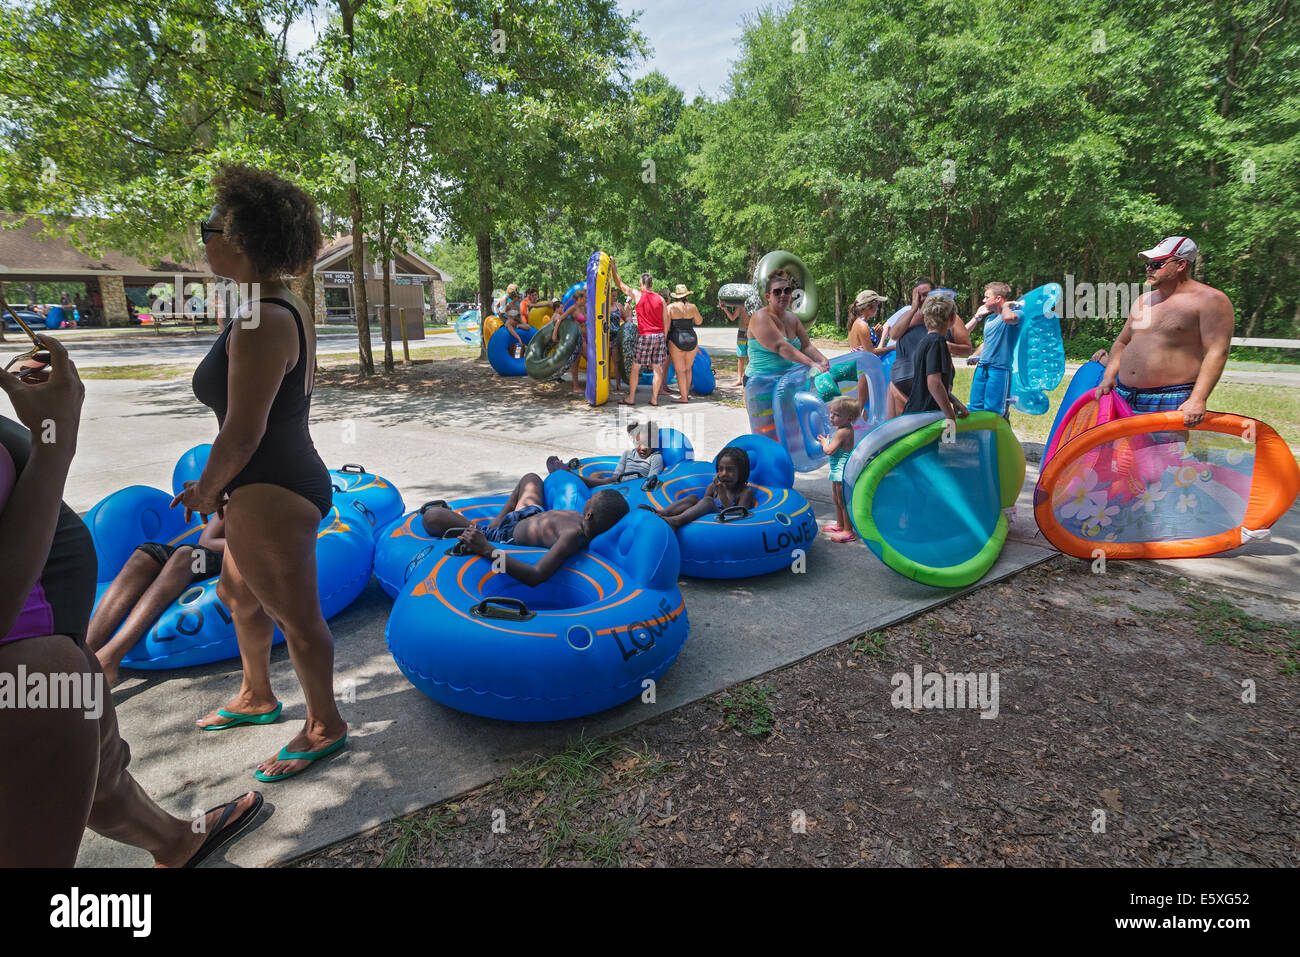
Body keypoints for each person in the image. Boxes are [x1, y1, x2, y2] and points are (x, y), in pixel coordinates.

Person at [0, 335, 262, 866]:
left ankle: (106, 662)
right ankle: (102, 656)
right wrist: (54, 443)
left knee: (100, 760)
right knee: (150, 554)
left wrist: (206, 529)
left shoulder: (260, 482)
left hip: (212, 561)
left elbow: (234, 542)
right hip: (36, 667)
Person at [186, 164, 348, 784]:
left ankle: (325, 724)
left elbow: (244, 431)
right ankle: (257, 695)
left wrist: (206, 490)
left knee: (297, 619)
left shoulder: (262, 317)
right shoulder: (270, 304)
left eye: (211, 227)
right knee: (236, 594)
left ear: (244, 239)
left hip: (271, 486)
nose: (203, 239)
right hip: (260, 482)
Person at [1098, 236, 1233, 426]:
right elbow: (1122, 342)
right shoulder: (1143, 300)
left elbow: (1217, 351)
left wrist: (1198, 399)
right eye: (1148, 264)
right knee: (1121, 456)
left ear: (1180, 264)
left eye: (1157, 264)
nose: (1149, 269)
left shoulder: (1210, 300)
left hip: (1168, 399)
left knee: (1162, 455)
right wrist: (1109, 376)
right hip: (1123, 395)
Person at [86, 518, 226, 687]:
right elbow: (206, 541)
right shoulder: (235, 494)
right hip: (224, 551)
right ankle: (83, 654)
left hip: (240, 559)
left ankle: (109, 659)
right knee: (146, 553)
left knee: (188, 555)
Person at [419, 480, 630, 586]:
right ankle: (495, 522)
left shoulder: (572, 536)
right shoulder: (585, 522)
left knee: (432, 517)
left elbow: (535, 576)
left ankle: (491, 529)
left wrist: (487, 549)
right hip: (528, 514)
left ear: (589, 514)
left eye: (589, 502)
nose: (586, 501)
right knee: (530, 478)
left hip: (504, 537)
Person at [887, 280, 973, 417]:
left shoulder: (945, 324)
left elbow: (967, 349)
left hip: (933, 378)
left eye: (925, 295)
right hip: (904, 379)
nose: (922, 300)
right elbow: (894, 334)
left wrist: (947, 346)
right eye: (918, 296)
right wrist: (914, 308)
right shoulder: (913, 319)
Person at [639, 446, 757, 530]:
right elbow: (700, 507)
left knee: (708, 501)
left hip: (723, 521)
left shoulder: (745, 492)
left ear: (741, 472)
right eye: (720, 469)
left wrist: (721, 493)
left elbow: (738, 517)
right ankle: (663, 512)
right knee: (693, 497)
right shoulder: (713, 487)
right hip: (708, 518)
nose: (724, 473)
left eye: (729, 470)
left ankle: (676, 521)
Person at [745, 269, 831, 381]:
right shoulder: (760, 317)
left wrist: (822, 359)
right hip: (760, 382)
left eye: (787, 291)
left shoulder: (793, 318)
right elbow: (780, 347)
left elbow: (806, 346)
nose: (783, 295)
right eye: (777, 292)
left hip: (786, 381)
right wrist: (812, 364)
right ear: (768, 297)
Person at [610, 262, 667, 407]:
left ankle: (631, 398)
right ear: (652, 284)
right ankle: (654, 399)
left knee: (635, 367)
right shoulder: (661, 299)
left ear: (640, 284)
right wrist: (663, 338)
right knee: (658, 368)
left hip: (646, 336)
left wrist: (614, 267)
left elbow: (619, 283)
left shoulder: (637, 294)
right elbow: (665, 321)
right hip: (659, 336)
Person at [546, 422, 665, 489]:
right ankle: (570, 476)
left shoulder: (655, 457)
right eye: (639, 443)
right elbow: (616, 474)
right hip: (618, 481)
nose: (642, 448)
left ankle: (571, 476)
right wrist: (613, 479)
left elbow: (651, 480)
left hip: (634, 486)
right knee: (604, 479)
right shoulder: (627, 454)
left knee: (607, 481)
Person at [963, 282, 1020, 415]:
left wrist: (1006, 306)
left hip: (999, 370)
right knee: (975, 408)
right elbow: (986, 343)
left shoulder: (1016, 314)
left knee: (996, 412)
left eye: (986, 297)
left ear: (998, 298)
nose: (983, 300)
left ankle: (999, 436)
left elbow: (1008, 318)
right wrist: (976, 355)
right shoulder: (989, 319)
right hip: (982, 368)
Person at [819, 396, 860, 543]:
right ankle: (840, 524)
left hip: (841, 473)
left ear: (849, 417)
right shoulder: (842, 429)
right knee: (837, 499)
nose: (831, 417)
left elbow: (829, 451)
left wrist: (825, 442)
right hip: (836, 472)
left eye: (836, 415)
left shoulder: (843, 432)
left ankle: (848, 531)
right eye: (832, 413)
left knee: (842, 501)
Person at [665, 284, 704, 403]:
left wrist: (664, 341)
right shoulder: (692, 306)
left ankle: (683, 397)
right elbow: (699, 321)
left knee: (680, 370)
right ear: (686, 294)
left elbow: (666, 326)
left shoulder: (671, 307)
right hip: (692, 338)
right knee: (688, 368)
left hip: (676, 338)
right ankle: (685, 394)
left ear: (676, 296)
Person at [550, 286, 588, 395]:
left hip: (584, 338)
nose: (586, 300)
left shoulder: (584, 308)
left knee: (584, 360)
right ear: (579, 298)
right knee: (579, 361)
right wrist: (554, 334)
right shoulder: (573, 309)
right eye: (584, 298)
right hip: (577, 338)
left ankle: (585, 385)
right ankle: (576, 386)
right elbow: (560, 320)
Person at [847, 289, 891, 355]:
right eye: (877, 304)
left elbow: (870, 349)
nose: (877, 308)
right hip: (862, 364)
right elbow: (871, 353)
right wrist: (893, 347)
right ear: (869, 307)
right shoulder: (862, 325)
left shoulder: (857, 322)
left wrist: (878, 335)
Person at [718, 299, 750, 386]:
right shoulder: (740, 306)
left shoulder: (754, 305)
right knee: (741, 357)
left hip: (752, 331)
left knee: (750, 356)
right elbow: (732, 318)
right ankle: (739, 379)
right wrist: (724, 308)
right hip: (742, 331)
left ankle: (749, 378)